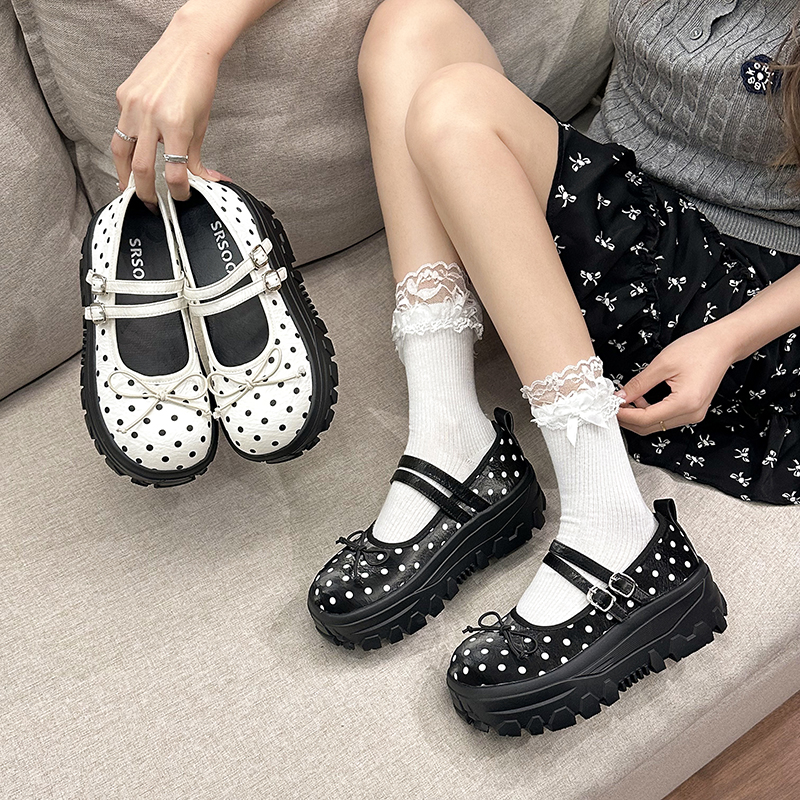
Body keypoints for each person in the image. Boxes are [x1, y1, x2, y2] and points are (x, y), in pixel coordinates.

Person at [307, 0, 799, 734]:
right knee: (411, 25)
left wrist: (725, 342)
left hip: (735, 302)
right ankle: (449, 433)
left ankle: (616, 527)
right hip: (607, 220)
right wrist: (195, 43)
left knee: (456, 106)